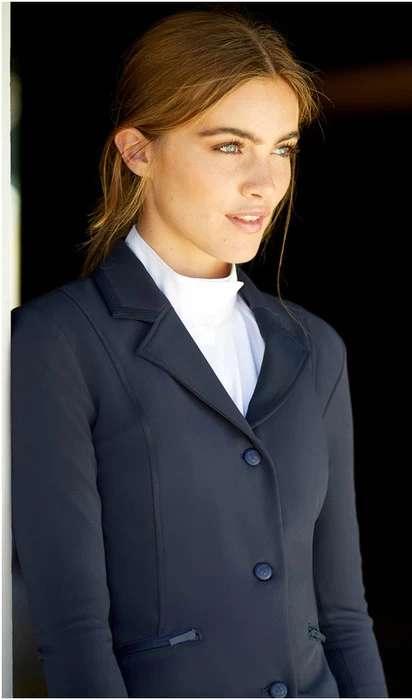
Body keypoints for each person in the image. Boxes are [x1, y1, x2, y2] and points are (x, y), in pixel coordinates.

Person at [10, 7, 389, 698]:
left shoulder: (316, 349)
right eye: (230, 146)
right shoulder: (54, 342)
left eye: (282, 148)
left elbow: (343, 617)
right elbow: (72, 636)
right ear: (138, 152)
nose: (265, 182)